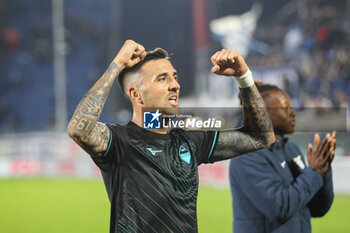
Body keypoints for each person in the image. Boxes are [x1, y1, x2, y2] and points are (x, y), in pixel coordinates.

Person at [67, 40, 275, 233]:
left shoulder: (189, 141)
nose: (175, 85)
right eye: (162, 79)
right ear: (136, 94)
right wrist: (118, 63)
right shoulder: (119, 141)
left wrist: (243, 77)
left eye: (174, 77)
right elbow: (79, 129)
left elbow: (261, 137)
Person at [229, 83, 336, 233]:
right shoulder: (246, 155)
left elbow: (318, 208)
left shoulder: (292, 150)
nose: (293, 113)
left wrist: (323, 170)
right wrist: (314, 173)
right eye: (285, 108)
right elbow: (279, 207)